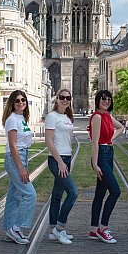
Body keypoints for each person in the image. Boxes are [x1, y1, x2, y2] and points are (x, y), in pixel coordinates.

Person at [88, 89, 124, 243]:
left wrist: (111, 138)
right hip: (102, 155)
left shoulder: (107, 115)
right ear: (98, 100)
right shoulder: (97, 117)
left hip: (109, 152)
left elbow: (121, 128)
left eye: (109, 99)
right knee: (115, 191)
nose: (106, 101)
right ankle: (103, 228)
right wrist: (95, 164)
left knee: (100, 194)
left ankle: (93, 229)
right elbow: (95, 142)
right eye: (103, 99)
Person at [2, 89, 37, 244]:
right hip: (15, 158)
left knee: (14, 195)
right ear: (12, 103)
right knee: (30, 194)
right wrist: (21, 167)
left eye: (23, 100)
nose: (21, 102)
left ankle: (9, 227)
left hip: (22, 156)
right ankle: (16, 226)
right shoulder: (12, 120)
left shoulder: (22, 118)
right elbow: (13, 145)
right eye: (17, 100)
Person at [45, 89, 79, 244]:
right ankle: (59, 228)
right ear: (56, 99)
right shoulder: (52, 117)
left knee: (57, 194)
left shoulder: (67, 117)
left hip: (66, 156)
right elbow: (49, 141)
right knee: (73, 192)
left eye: (68, 97)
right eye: (62, 97)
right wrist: (60, 162)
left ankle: (53, 229)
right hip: (56, 159)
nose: (65, 100)